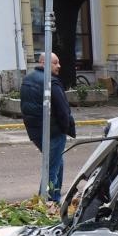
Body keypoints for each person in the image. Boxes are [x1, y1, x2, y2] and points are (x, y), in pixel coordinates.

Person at [21, 53, 76, 202]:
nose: (59, 66)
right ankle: (46, 202)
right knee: (51, 169)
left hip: (36, 132)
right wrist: (66, 129)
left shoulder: (27, 80)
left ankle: (55, 197)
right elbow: (63, 110)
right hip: (53, 132)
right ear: (44, 63)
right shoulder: (52, 82)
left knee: (57, 162)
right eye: (55, 63)